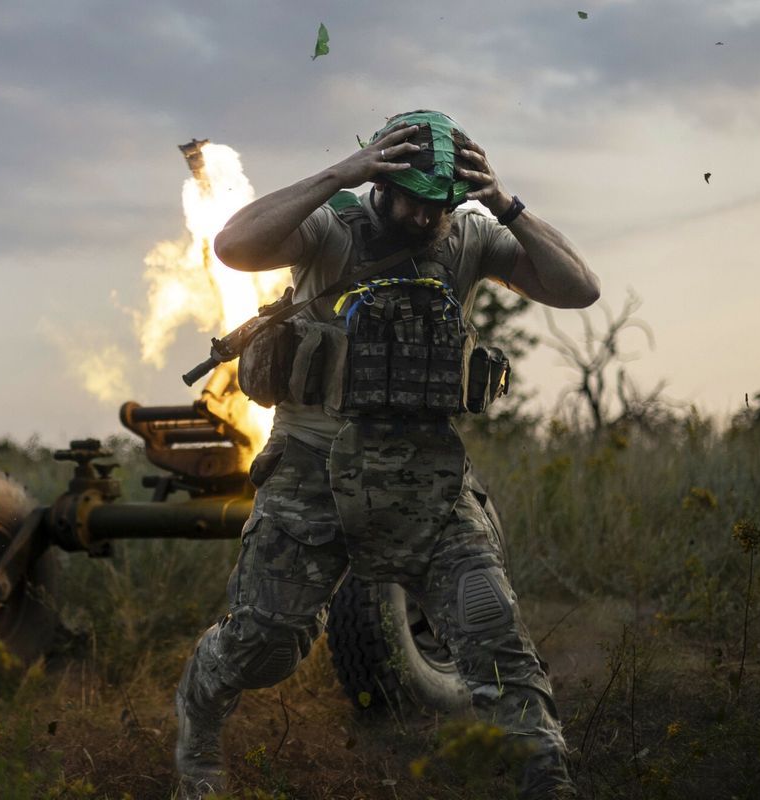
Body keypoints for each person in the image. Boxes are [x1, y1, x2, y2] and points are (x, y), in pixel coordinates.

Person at [174, 110, 599, 799]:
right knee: (264, 644)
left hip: (426, 477)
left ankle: (546, 778)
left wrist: (501, 203)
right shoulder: (330, 226)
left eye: (442, 202)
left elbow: (579, 287)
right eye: (414, 199)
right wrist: (343, 172)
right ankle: (197, 726)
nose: (427, 217)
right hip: (313, 466)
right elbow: (233, 246)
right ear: (382, 180)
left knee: (491, 631)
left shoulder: (469, 234)